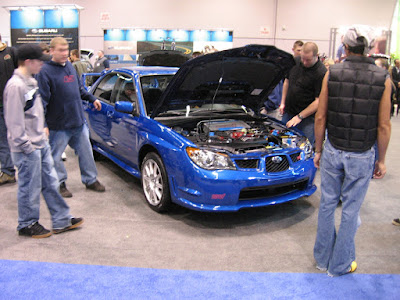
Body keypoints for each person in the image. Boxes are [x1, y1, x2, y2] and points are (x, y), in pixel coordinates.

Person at [313, 27, 391, 276]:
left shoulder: (331, 73)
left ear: (345, 49)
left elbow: (320, 116)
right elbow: (383, 125)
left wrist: (318, 150)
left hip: (333, 148)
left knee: (327, 205)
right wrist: (381, 160)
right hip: (362, 153)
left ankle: (322, 260)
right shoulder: (383, 78)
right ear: (367, 50)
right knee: (350, 210)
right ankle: (340, 265)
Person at [3, 44, 84, 238]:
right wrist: (26, 147)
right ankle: (27, 224)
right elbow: (14, 122)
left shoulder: (31, 81)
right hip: (27, 148)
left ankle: (62, 219)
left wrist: (42, 132)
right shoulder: (16, 86)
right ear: (29, 62)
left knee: (51, 182)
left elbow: (34, 112)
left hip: (40, 143)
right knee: (29, 186)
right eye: (39, 61)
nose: (42, 65)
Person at [37, 37, 106, 198]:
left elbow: (79, 89)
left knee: (86, 151)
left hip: (77, 121)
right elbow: (42, 101)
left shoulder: (69, 66)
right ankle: (59, 183)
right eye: (60, 50)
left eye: (66, 50)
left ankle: (90, 180)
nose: (64, 53)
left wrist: (92, 98)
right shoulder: (44, 71)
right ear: (52, 51)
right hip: (58, 125)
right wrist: (43, 124)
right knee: (55, 157)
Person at [279, 42, 327, 144]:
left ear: (316, 56)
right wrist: (282, 102)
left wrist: (300, 116)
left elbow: (318, 101)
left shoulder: (321, 72)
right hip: (288, 113)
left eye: (308, 60)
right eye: (302, 58)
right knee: (281, 144)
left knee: (304, 147)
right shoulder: (295, 62)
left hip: (307, 119)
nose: (304, 62)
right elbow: (286, 81)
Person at [0, 33, 18, 185]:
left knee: (21, 137)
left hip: (14, 105)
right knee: (3, 139)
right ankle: (8, 171)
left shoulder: (10, 52)